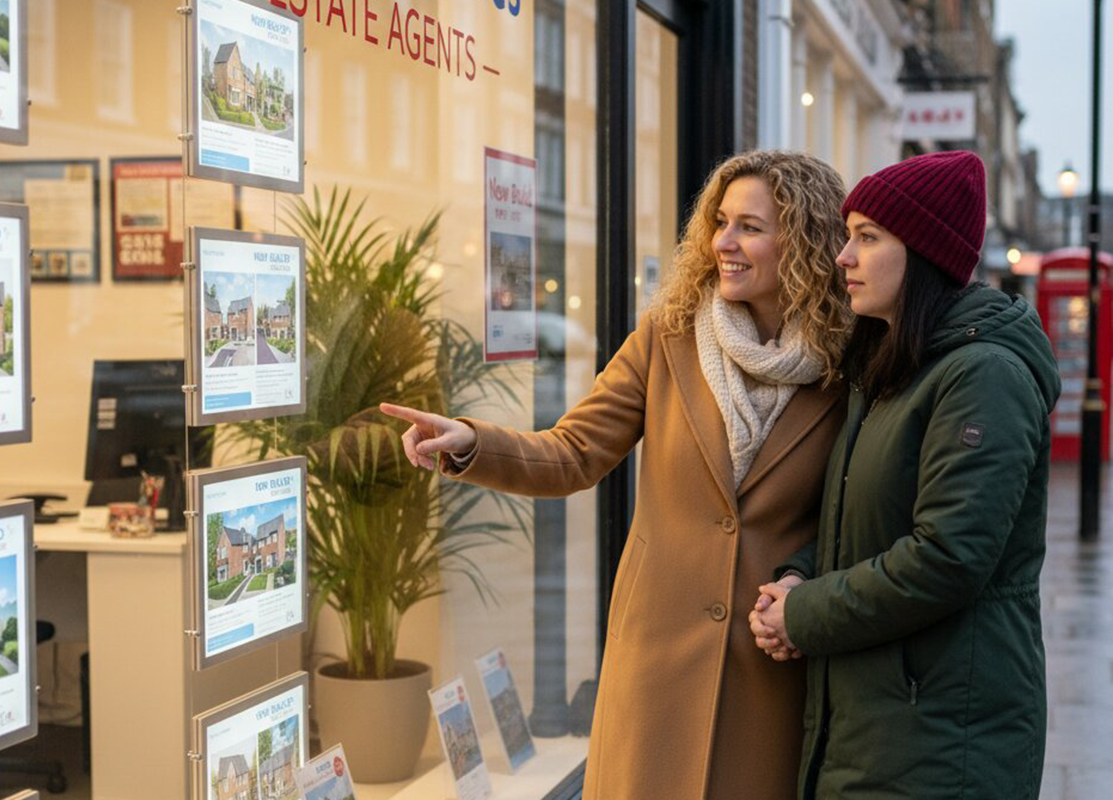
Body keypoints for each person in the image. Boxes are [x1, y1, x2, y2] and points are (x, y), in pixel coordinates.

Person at [382, 150, 852, 799]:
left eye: (750, 226)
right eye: (720, 222)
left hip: (771, 664)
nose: (725, 242)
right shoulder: (670, 336)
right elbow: (574, 451)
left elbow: (861, 513)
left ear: (803, 240)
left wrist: (807, 585)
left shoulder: (851, 364)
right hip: (659, 657)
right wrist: (472, 444)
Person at [749, 151, 1060, 799]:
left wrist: (803, 614)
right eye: (848, 236)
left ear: (923, 255)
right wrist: (799, 573)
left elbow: (948, 556)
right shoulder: (892, 365)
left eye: (868, 238)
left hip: (944, 738)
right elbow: (861, 521)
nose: (843, 257)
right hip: (882, 723)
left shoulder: (982, 375)